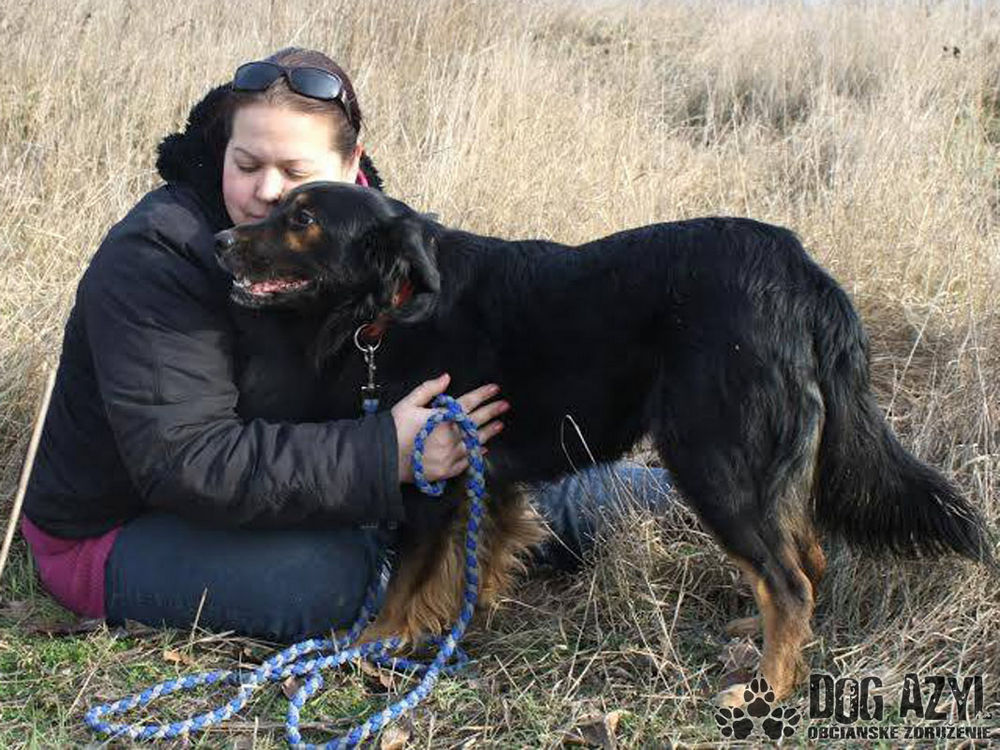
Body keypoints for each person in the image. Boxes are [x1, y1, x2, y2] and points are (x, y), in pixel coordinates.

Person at [21, 47, 669, 643]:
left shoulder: (364, 241)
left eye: (295, 173)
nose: (266, 193)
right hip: (125, 529)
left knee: (592, 492)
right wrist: (389, 453)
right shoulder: (158, 257)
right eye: (245, 164)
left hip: (328, 489)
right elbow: (186, 461)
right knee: (342, 576)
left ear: (351, 168)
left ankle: (671, 503)